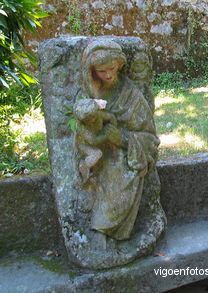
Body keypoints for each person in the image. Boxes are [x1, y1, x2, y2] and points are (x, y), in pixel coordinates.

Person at [80, 40, 160, 241]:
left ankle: (109, 232)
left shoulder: (131, 96)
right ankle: (98, 233)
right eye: (101, 70)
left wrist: (123, 139)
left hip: (124, 154)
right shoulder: (87, 94)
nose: (107, 74)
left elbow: (150, 138)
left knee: (120, 174)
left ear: (120, 64)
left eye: (112, 68)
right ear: (91, 71)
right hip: (95, 152)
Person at [73, 98, 117, 184]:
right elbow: (93, 141)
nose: (92, 120)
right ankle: (84, 165)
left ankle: (93, 173)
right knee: (97, 154)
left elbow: (111, 118)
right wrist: (106, 134)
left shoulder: (98, 115)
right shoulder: (81, 128)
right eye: (88, 120)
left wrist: (112, 127)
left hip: (98, 137)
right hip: (84, 144)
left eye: (93, 117)